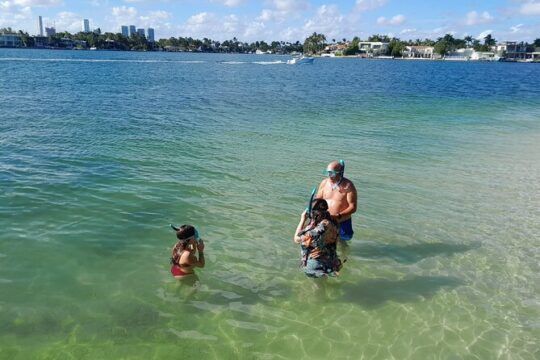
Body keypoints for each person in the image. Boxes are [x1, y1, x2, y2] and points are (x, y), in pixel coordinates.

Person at [294, 199, 342, 277]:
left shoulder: (317, 229)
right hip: (331, 261)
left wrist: (302, 220)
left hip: (316, 263)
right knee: (324, 284)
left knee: (317, 287)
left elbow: (296, 238)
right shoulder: (334, 223)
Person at [316, 160, 357, 241]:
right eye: (327, 172)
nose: (329, 175)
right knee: (324, 242)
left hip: (342, 222)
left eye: (332, 173)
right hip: (326, 221)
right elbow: (317, 201)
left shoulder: (348, 186)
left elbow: (353, 207)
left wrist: (338, 215)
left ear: (340, 172)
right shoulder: (324, 183)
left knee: (342, 243)